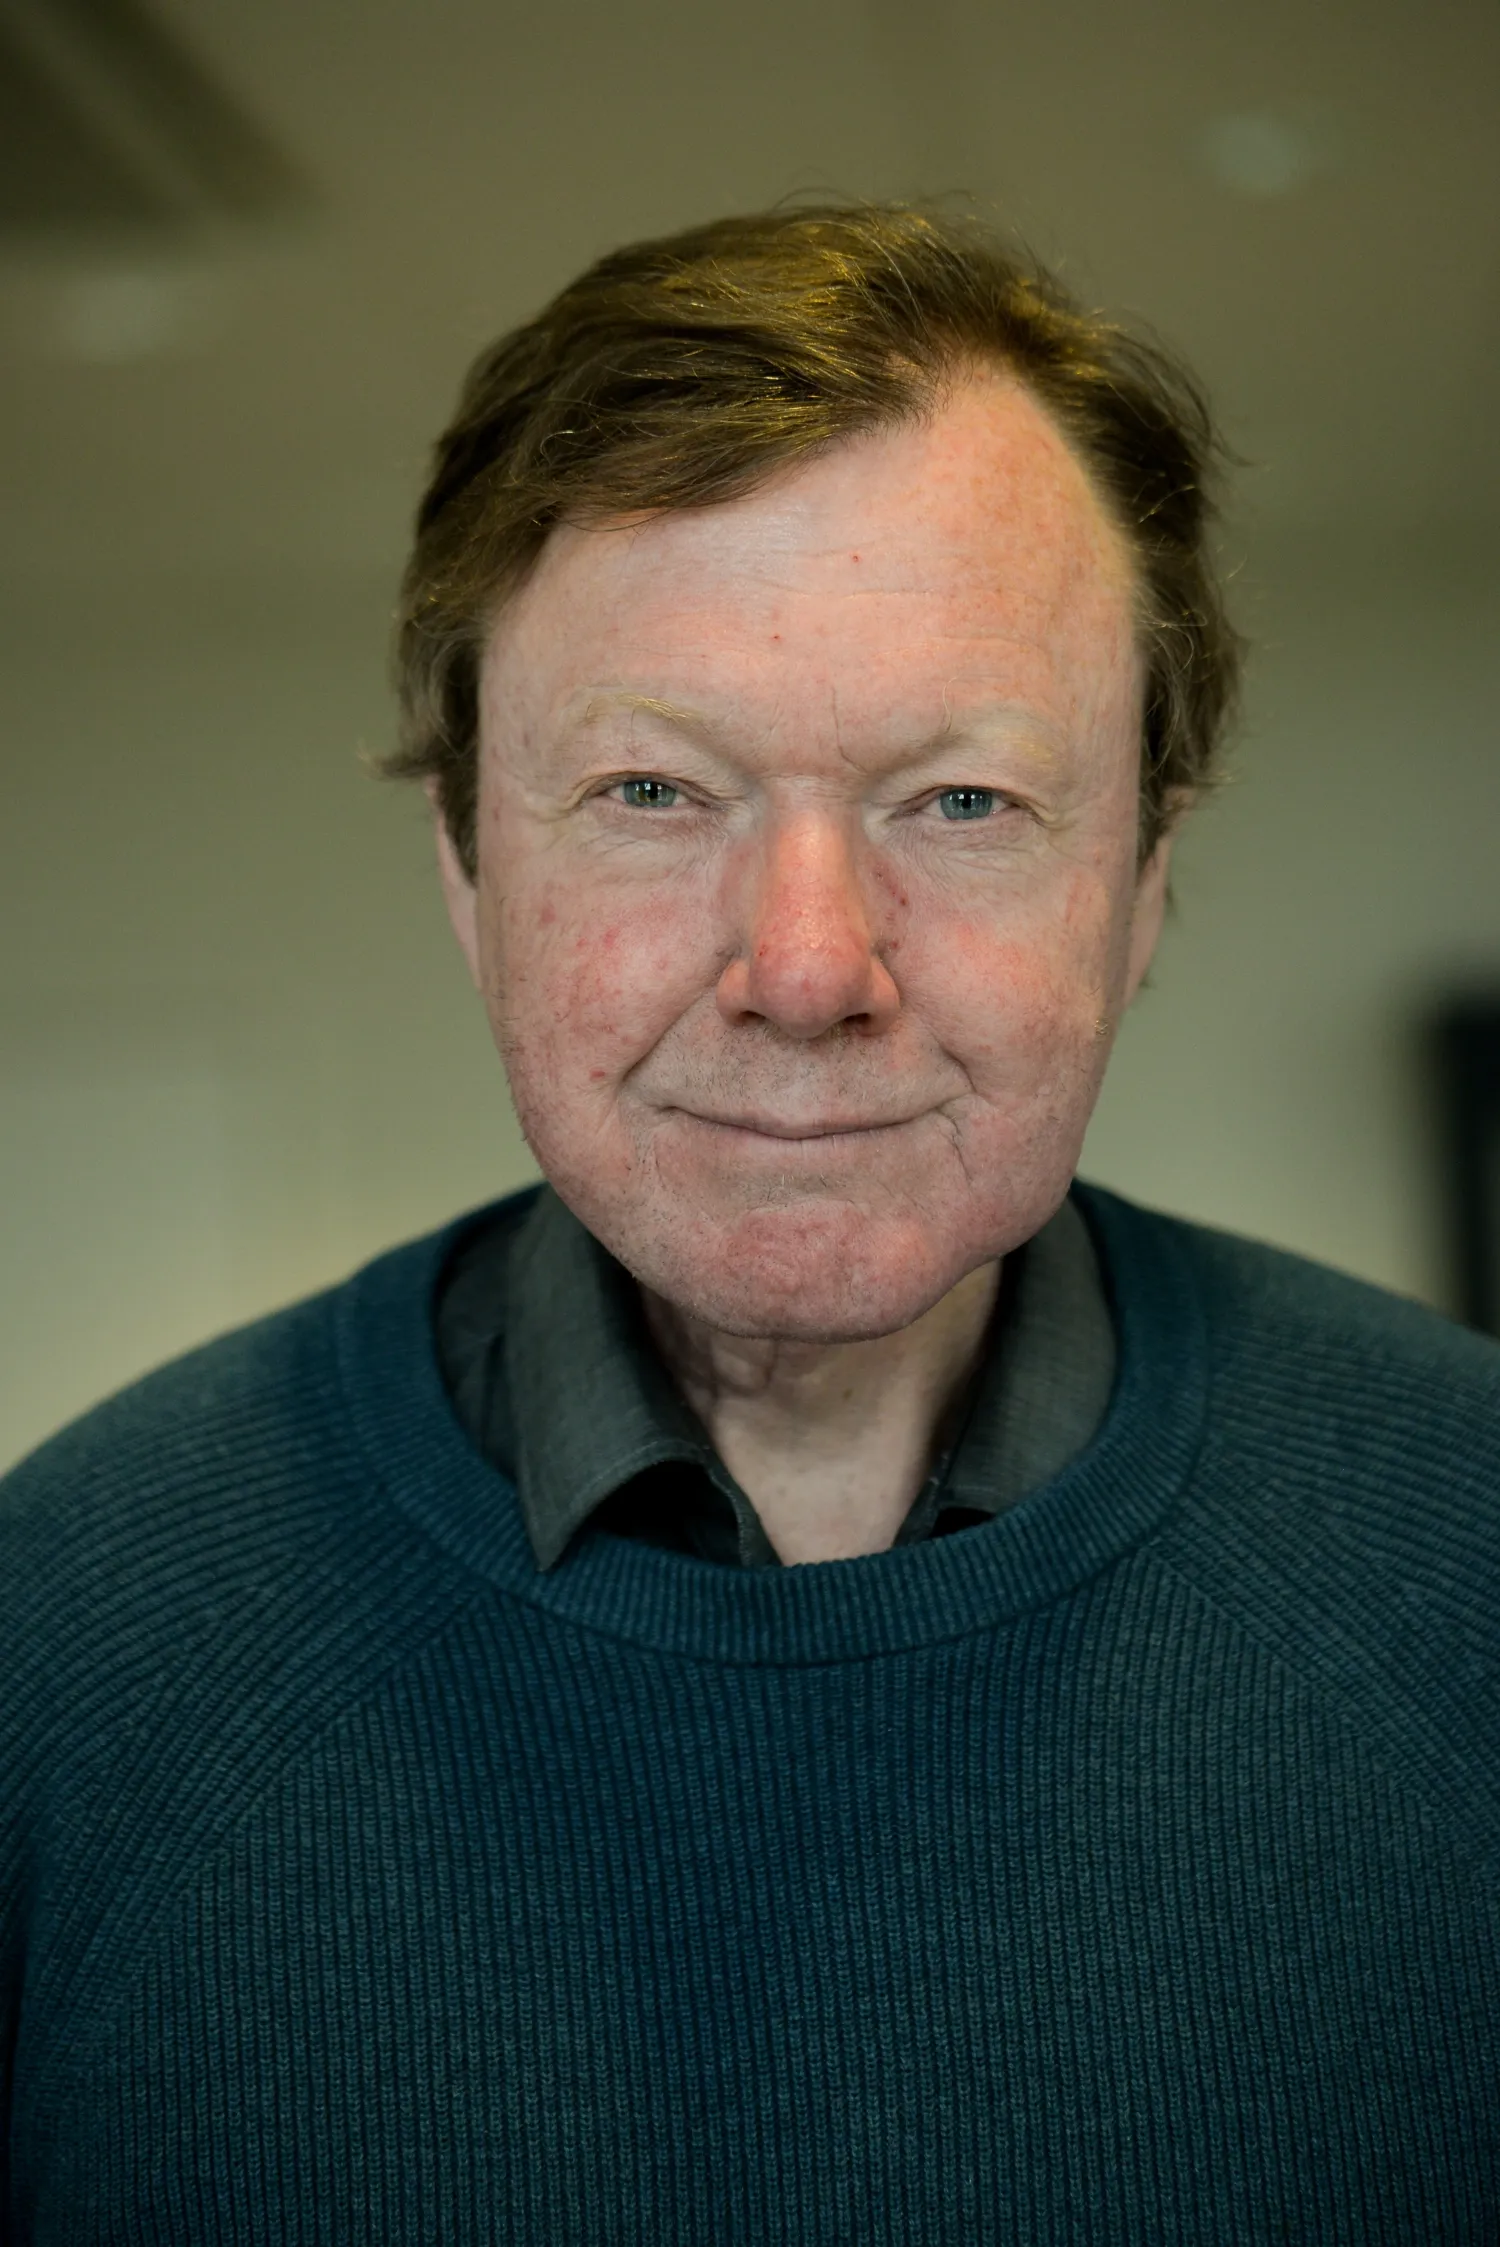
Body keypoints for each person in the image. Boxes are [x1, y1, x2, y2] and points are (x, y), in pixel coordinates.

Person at [2, 204, 1497, 2243]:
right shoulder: (65, 1642)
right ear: (464, 867)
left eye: (961, 800)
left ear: (1143, 883)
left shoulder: (1467, 1562)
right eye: (650, 790)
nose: (807, 967)